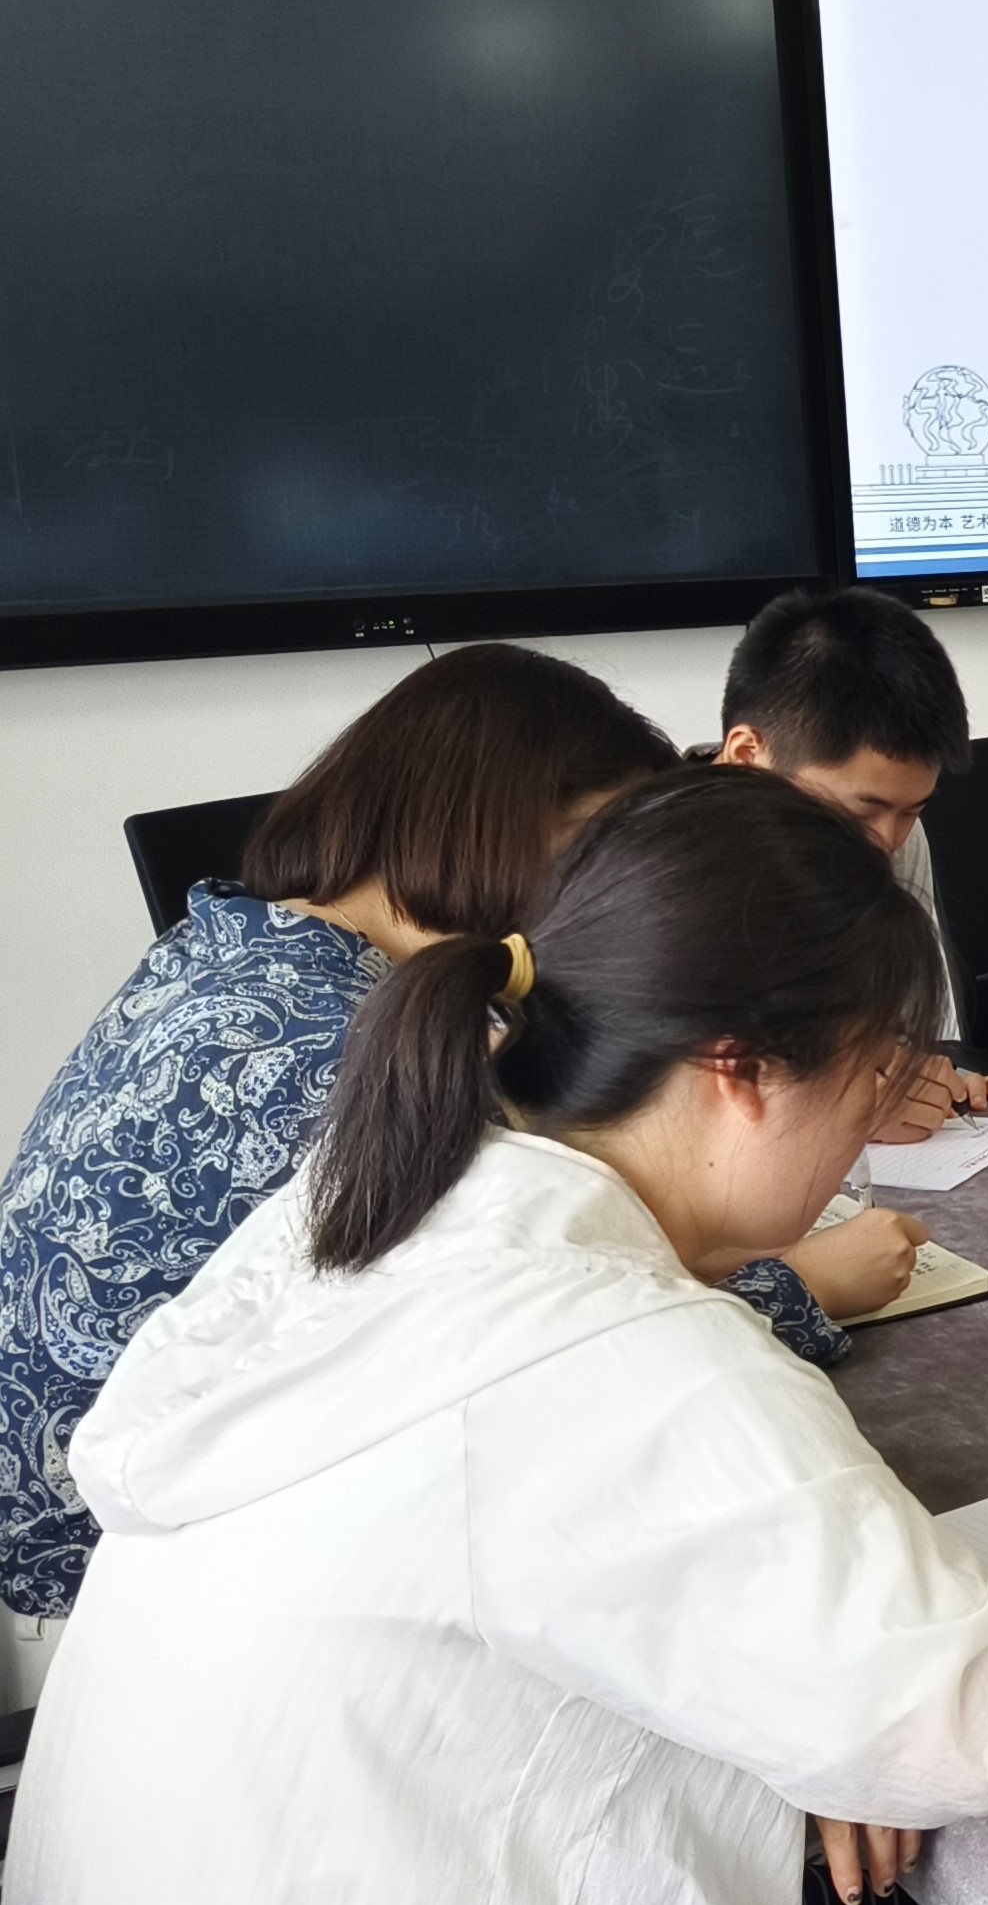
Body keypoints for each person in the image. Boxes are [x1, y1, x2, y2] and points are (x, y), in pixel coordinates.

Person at [0, 770, 988, 1905]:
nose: (862, 1143)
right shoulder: (635, 1359)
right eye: (867, 1087)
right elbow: (983, 1711)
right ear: (740, 1071)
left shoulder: (378, 1196)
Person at [0, 648, 921, 1693]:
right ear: (499, 825)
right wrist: (802, 1285)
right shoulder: (333, 1057)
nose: (611, 897)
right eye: (594, 854)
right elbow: (553, 1335)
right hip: (137, 1594)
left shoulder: (240, 944)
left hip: (142, 1517)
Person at [710, 584, 988, 1133]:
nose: (886, 842)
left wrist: (926, 1080)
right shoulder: (649, 874)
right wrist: (838, 1109)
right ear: (748, 756)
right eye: (860, 810)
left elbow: (901, 1041)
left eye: (911, 810)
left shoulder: (898, 840)